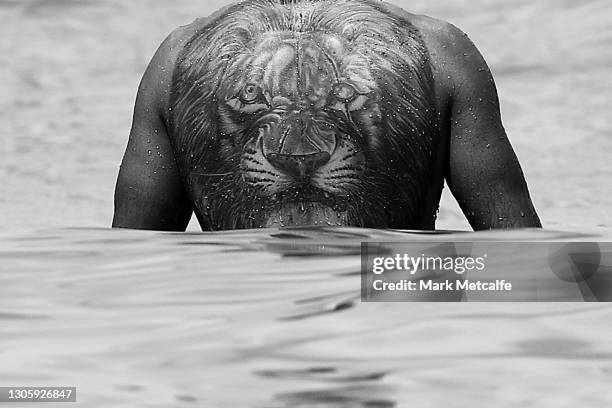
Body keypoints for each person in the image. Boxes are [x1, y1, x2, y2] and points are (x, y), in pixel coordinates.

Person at [113, 0, 541, 231]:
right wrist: (396, 280)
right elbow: (529, 264)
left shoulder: (179, 57)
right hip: (387, 333)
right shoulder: (440, 50)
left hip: (242, 333)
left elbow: (130, 272)